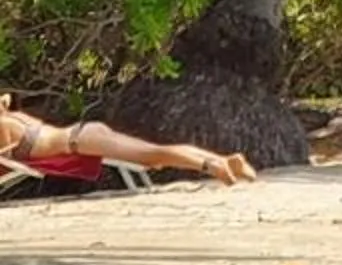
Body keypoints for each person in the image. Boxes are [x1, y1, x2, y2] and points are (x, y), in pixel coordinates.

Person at [0, 94, 259, 187]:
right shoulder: (17, 117)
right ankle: (222, 161)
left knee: (153, 155)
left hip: (79, 141)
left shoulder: (4, 127)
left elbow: (6, 158)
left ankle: (212, 167)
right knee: (155, 155)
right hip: (83, 133)